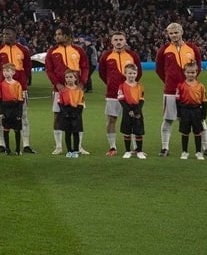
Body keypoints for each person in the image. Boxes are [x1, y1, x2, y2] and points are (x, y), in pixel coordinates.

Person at [156, 23, 207, 157]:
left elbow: (198, 67)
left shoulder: (192, 48)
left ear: (182, 32)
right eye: (171, 33)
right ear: (168, 34)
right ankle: (165, 148)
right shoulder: (163, 49)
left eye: (176, 32)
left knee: (200, 120)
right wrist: (169, 81)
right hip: (171, 91)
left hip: (190, 91)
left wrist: (190, 84)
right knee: (168, 119)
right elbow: (159, 69)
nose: (174, 35)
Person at [45, 26, 90, 155]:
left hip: (76, 90)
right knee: (57, 116)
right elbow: (49, 70)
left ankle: (79, 147)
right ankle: (58, 146)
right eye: (56, 34)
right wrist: (57, 84)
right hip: (59, 90)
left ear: (67, 36)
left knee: (78, 117)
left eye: (59, 34)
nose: (56, 37)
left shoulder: (78, 50)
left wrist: (82, 83)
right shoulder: (52, 51)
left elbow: (85, 67)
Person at [98, 31, 143, 157]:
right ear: (112, 41)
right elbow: (102, 73)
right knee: (111, 119)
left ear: (125, 41)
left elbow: (138, 72)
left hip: (130, 93)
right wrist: (110, 83)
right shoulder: (106, 55)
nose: (118, 42)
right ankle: (112, 147)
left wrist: (130, 86)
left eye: (121, 39)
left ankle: (135, 148)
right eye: (116, 40)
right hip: (112, 94)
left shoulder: (132, 55)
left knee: (133, 119)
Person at [0, 28, 35, 154]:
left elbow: (27, 68)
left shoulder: (23, 50)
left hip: (20, 89)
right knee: (2, 116)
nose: (5, 36)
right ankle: (2, 144)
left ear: (15, 35)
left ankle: (26, 145)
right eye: (3, 34)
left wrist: (23, 81)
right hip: (4, 90)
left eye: (8, 34)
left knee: (23, 116)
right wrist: (1, 82)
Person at [175, 62, 207, 160]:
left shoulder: (200, 86)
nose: (190, 74)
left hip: (196, 111)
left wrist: (204, 114)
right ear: (184, 73)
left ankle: (198, 152)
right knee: (185, 132)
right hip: (185, 111)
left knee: (197, 132)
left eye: (193, 72)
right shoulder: (180, 86)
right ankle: (184, 152)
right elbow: (177, 101)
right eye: (188, 72)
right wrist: (179, 114)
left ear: (196, 72)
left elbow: (204, 101)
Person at [118, 64, 147, 159]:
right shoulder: (122, 86)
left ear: (136, 74)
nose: (132, 75)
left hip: (137, 111)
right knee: (127, 131)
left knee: (138, 132)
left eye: (134, 73)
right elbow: (121, 100)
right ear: (125, 73)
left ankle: (139, 151)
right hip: (127, 110)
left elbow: (141, 100)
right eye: (130, 73)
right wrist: (129, 110)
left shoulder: (140, 86)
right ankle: (127, 151)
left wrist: (137, 110)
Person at [0, 63, 25, 155]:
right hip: (6, 109)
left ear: (13, 72)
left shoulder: (18, 84)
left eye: (7, 71)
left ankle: (17, 149)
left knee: (17, 130)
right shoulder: (0, 85)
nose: (5, 73)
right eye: (4, 71)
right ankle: (7, 149)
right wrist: (1, 112)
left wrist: (19, 113)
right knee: (6, 129)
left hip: (15, 109)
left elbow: (20, 100)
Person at [57, 70, 86, 158]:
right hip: (66, 113)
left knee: (76, 132)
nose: (69, 79)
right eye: (67, 77)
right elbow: (60, 103)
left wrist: (76, 112)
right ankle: (69, 150)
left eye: (71, 77)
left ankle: (76, 150)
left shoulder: (79, 91)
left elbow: (81, 103)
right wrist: (66, 112)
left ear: (75, 78)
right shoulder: (63, 91)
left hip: (76, 113)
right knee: (67, 133)